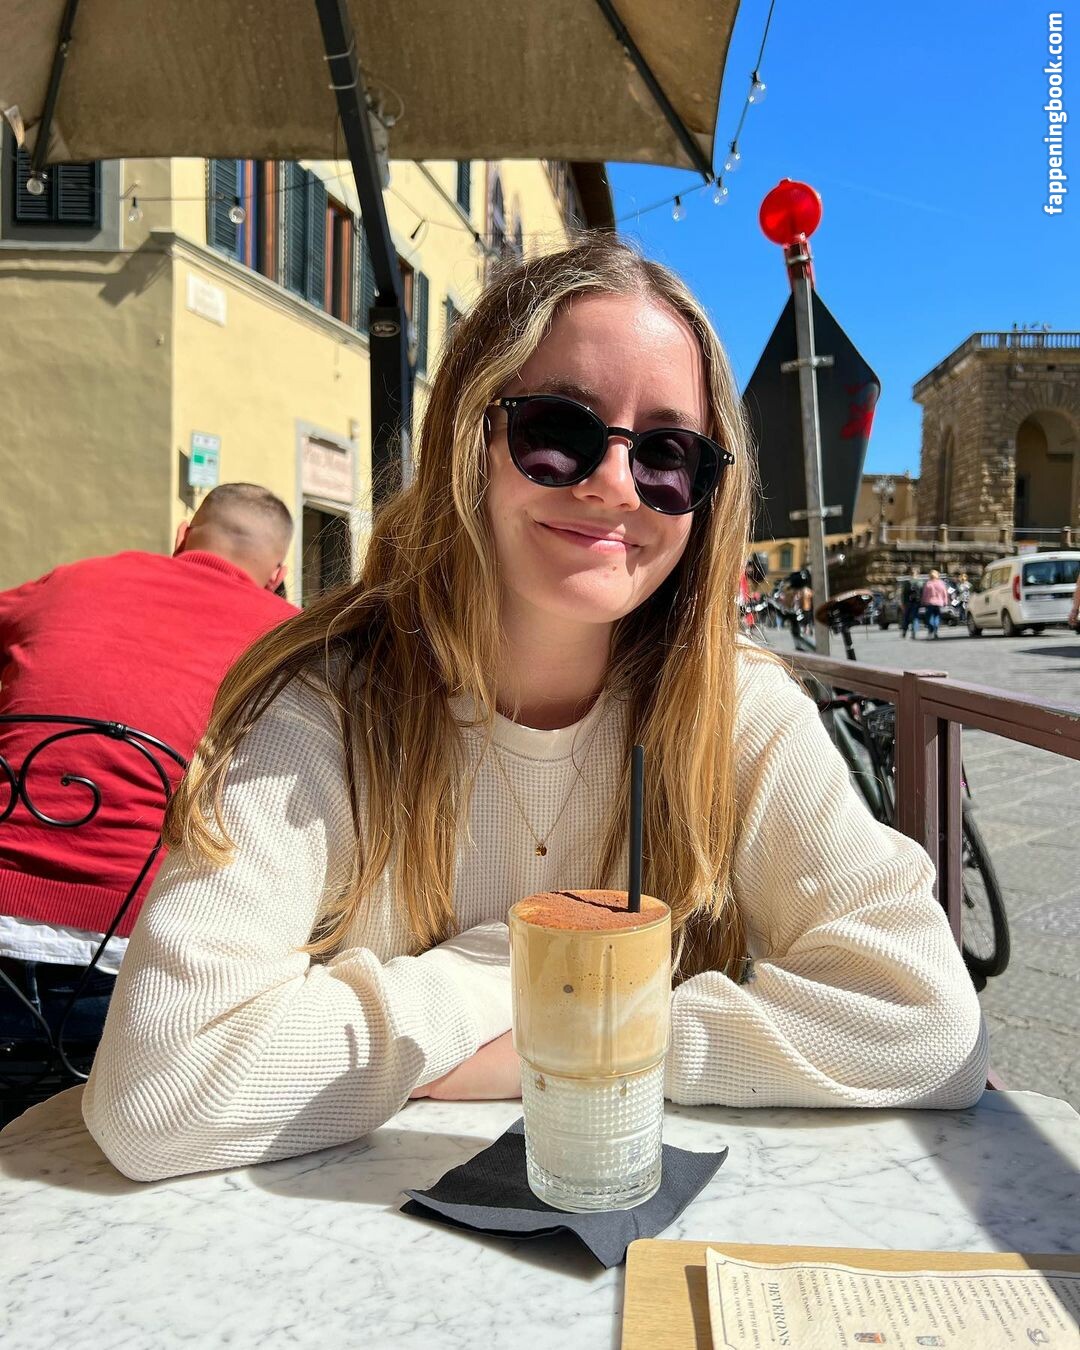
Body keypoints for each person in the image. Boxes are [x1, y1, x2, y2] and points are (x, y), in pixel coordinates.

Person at [82, 238, 986, 1184]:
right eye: (558, 428)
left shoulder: (735, 709)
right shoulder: (327, 708)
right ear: (469, 437)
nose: (615, 484)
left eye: (669, 455)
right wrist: (499, 970)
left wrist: (576, 1042)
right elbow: (158, 1091)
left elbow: (929, 1024)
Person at [0, 483, 299, 1052]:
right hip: (140, 966)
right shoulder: (289, 639)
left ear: (182, 536)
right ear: (278, 574)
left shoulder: (71, 581)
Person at [921, 569, 949, 640]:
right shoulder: (941, 583)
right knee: (936, 617)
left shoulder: (928, 583)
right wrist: (945, 601)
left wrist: (923, 601)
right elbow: (944, 593)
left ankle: (931, 630)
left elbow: (924, 594)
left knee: (929, 618)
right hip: (939, 603)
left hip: (929, 603)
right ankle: (935, 631)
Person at [900, 565, 922, 638]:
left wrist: (903, 603)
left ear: (910, 573)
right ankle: (914, 632)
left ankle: (904, 631)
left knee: (906, 617)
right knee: (915, 617)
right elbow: (922, 593)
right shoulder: (920, 582)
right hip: (916, 602)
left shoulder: (907, 582)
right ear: (918, 573)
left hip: (908, 602)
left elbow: (903, 594)